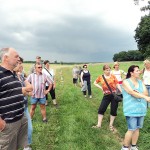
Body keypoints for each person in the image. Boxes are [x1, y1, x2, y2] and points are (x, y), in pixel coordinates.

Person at [0, 48, 32, 150]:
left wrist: (23, 91)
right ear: (5, 58)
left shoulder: (13, 74)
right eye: (16, 56)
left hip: (21, 118)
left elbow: (10, 92)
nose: (19, 59)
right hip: (8, 123)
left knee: (19, 146)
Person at [121, 65, 150, 150]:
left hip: (141, 109)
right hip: (131, 109)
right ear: (132, 73)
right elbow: (131, 92)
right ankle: (125, 147)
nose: (139, 72)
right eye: (137, 71)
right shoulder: (125, 82)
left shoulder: (140, 82)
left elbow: (146, 93)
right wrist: (142, 96)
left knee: (137, 129)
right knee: (131, 129)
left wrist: (138, 93)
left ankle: (133, 146)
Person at [92, 64, 121, 131]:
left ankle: (111, 125)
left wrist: (122, 92)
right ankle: (99, 125)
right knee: (101, 109)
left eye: (109, 70)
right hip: (106, 95)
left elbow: (117, 84)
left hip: (114, 95)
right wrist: (101, 88)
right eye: (107, 70)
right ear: (104, 70)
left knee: (113, 110)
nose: (108, 71)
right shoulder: (101, 77)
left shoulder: (113, 76)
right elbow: (94, 83)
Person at [14, 62, 33, 150]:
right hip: (14, 109)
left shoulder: (21, 76)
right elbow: (14, 92)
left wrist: (24, 91)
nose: (20, 65)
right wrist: (25, 91)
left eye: (21, 63)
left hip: (24, 107)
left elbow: (30, 87)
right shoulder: (11, 77)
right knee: (14, 133)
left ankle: (26, 146)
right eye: (18, 63)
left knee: (29, 129)